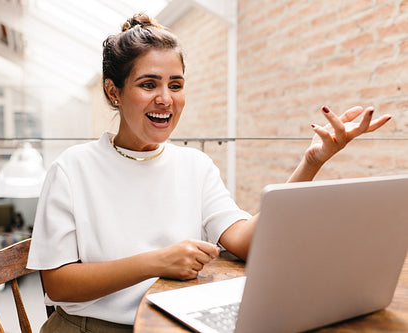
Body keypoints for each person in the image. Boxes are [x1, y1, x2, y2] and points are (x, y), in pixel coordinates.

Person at [27, 13, 392, 332]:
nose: (165, 99)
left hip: (174, 323)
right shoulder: (72, 169)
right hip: (93, 329)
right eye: (148, 84)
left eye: (176, 84)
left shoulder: (195, 166)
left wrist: (312, 162)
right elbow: (58, 285)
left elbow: (246, 242)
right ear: (114, 92)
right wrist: (157, 261)